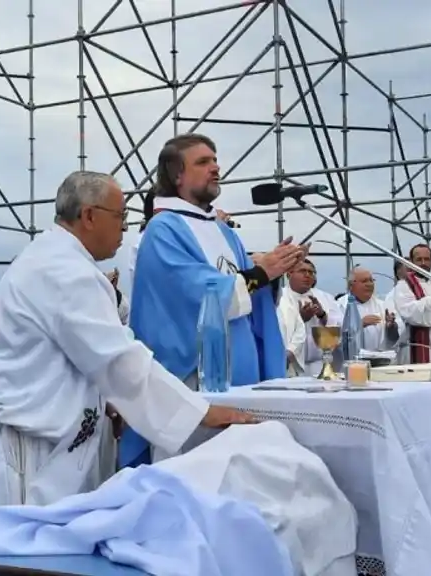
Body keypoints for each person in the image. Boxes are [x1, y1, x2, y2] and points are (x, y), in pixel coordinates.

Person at [0, 170, 255, 547]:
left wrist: (108, 401)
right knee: (34, 553)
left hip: (54, 431)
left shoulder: (55, 259)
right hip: (32, 446)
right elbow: (116, 358)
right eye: (121, 217)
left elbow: (77, 354)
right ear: (90, 216)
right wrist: (199, 412)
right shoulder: (64, 270)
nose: (125, 229)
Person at [123, 133, 300, 467]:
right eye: (203, 162)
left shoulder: (225, 232)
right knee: (196, 479)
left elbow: (250, 291)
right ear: (176, 175)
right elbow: (196, 296)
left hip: (242, 376)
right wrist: (262, 273)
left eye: (216, 159)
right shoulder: (164, 230)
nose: (216, 168)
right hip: (194, 382)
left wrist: (274, 271)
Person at [277, 259, 341, 377]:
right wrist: (300, 318)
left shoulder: (325, 297)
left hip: (320, 363)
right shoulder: (279, 297)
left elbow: (339, 327)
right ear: (289, 274)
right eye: (302, 271)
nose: (307, 275)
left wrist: (322, 315)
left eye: (311, 272)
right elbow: (277, 326)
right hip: (291, 364)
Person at [391, 244, 431, 364]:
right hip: (416, 351)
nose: (423, 263)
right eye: (419, 260)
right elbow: (411, 314)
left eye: (427, 259)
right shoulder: (403, 286)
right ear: (411, 262)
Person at [337, 266, 400, 354]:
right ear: (351, 285)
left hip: (380, 360)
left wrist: (392, 327)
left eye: (371, 280)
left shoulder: (383, 305)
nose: (369, 284)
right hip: (351, 360)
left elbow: (394, 339)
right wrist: (359, 324)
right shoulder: (340, 306)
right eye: (364, 281)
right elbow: (336, 338)